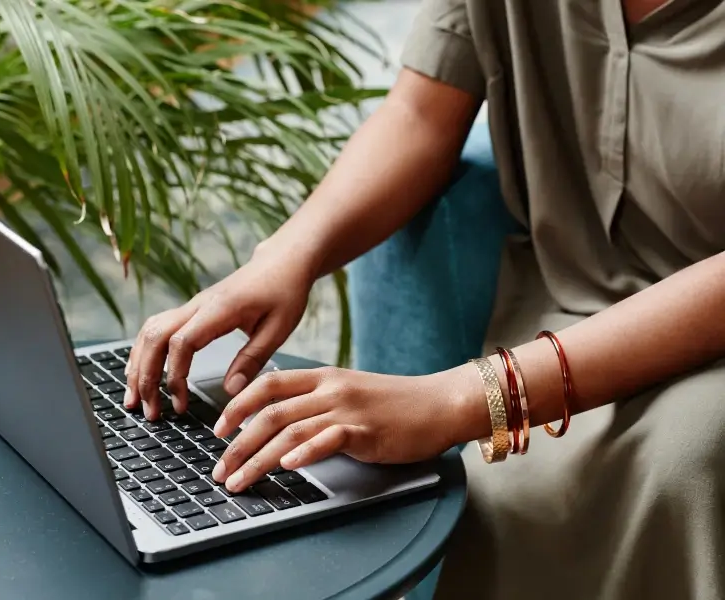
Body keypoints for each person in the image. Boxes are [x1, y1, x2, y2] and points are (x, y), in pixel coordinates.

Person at [122, 0, 725, 597]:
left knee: (677, 466)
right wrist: (284, 258)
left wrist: (462, 398)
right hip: (564, 305)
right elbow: (421, 111)